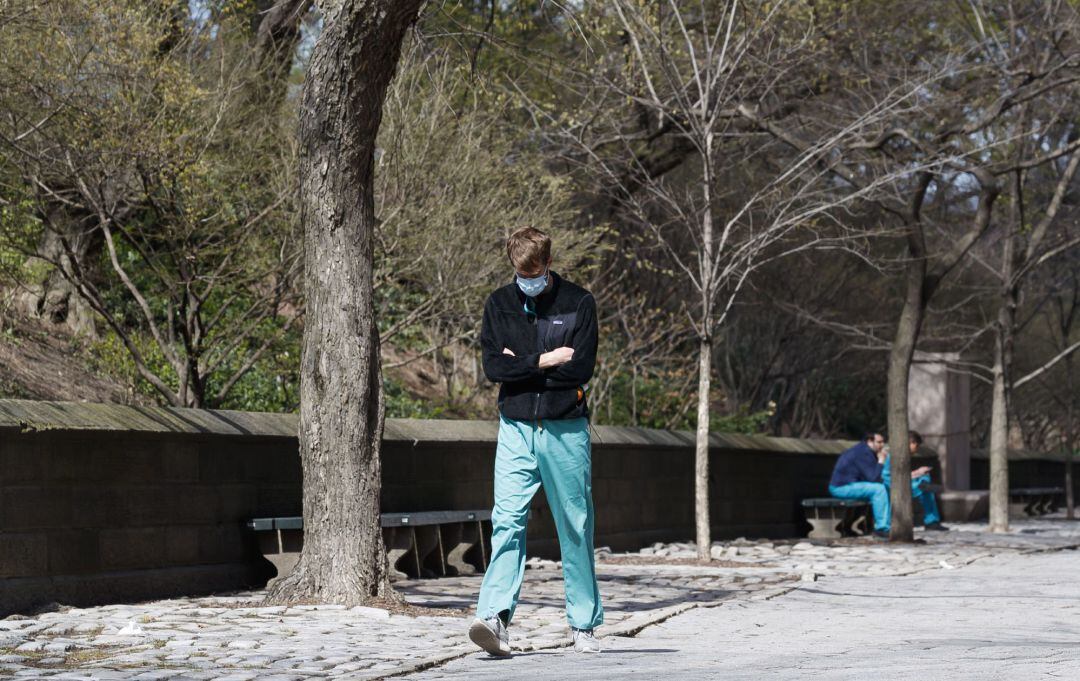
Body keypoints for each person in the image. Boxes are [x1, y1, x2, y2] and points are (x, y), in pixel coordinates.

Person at [467, 226, 603, 656]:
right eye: (519, 271)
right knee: (506, 521)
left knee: (575, 527)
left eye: (533, 270)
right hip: (516, 428)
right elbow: (494, 368)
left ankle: (583, 625)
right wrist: (545, 359)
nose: (526, 278)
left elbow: (579, 370)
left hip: (565, 427)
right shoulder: (499, 304)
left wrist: (521, 365)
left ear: (547, 264)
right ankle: (494, 617)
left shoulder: (578, 303)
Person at [882, 431, 948, 532]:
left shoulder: (900, 454)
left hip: (899, 483)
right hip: (893, 485)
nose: (917, 449)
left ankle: (924, 484)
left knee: (925, 482)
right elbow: (897, 478)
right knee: (925, 488)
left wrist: (918, 473)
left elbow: (902, 476)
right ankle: (931, 521)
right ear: (911, 443)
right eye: (916, 445)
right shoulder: (896, 456)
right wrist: (917, 472)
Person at [829, 432, 890, 538]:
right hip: (840, 488)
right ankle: (882, 529)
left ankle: (848, 527)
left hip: (851, 485)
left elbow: (874, 477)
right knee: (878, 490)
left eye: (883, 442)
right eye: (879, 442)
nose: (882, 445)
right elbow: (873, 478)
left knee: (885, 487)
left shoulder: (865, 451)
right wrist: (881, 461)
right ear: (870, 441)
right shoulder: (863, 453)